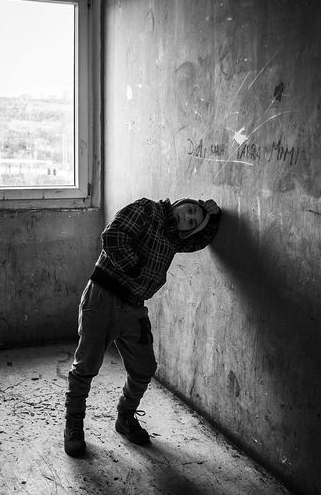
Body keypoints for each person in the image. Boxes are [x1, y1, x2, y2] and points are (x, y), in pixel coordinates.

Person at [63, 196, 221, 457]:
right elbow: (113, 236)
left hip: (134, 306)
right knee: (86, 367)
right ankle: (74, 425)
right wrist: (135, 267)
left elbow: (200, 240)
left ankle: (125, 417)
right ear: (181, 202)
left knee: (144, 368)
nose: (188, 217)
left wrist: (213, 217)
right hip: (103, 295)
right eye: (190, 210)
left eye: (193, 221)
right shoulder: (148, 209)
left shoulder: (176, 239)